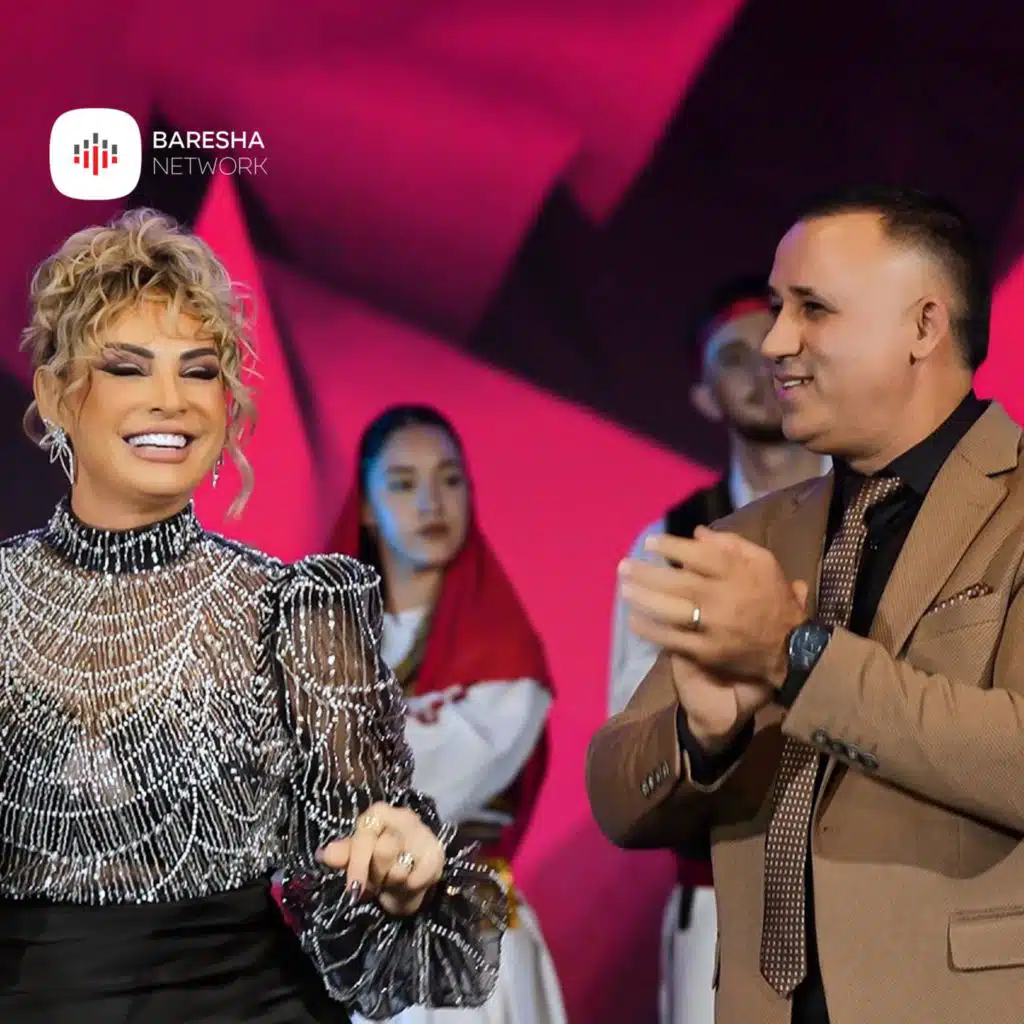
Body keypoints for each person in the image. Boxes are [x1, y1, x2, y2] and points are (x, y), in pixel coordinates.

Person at [0, 208, 506, 1024]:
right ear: (59, 396)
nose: (171, 401)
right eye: (128, 368)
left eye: (199, 372)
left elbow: (366, 863)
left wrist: (398, 874)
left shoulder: (296, 609)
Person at [587, 185, 1024, 1024]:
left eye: (812, 309)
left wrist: (797, 657)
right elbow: (615, 793)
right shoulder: (746, 536)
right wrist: (702, 736)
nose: (775, 342)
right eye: (778, 308)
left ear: (924, 327)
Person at [608, 279, 829, 1024]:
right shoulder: (672, 542)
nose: (763, 368)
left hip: (869, 886)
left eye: (774, 346)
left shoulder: (877, 513)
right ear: (704, 396)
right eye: (734, 357)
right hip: (721, 898)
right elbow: (633, 736)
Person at [327, 404, 567, 1024]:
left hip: (468, 944)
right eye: (403, 483)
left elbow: (417, 792)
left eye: (450, 479)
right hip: (351, 952)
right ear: (366, 507)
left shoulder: (504, 656)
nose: (431, 502)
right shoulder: (327, 646)